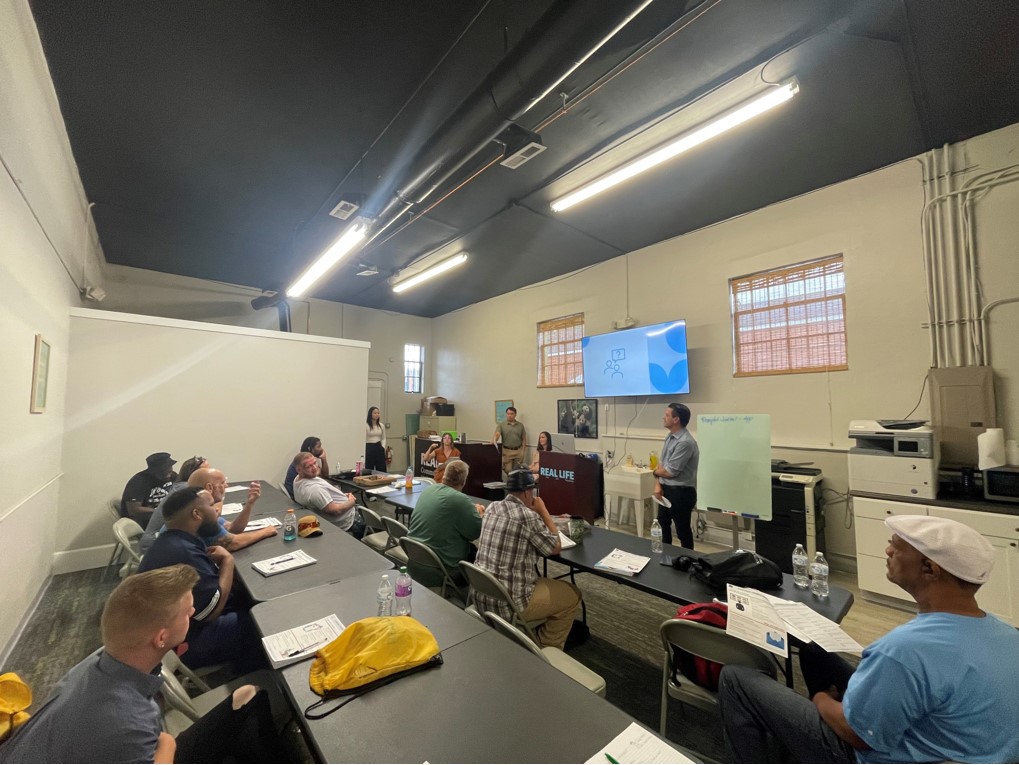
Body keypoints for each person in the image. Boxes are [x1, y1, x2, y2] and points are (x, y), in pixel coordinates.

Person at [718, 515, 1019, 764]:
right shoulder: (1008, 637)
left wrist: (821, 699)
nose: (887, 551)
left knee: (736, 679)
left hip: (867, 752)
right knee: (814, 651)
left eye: (896, 547)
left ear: (930, 568)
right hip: (957, 747)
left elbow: (857, 735)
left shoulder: (903, 651)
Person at [0, 564, 287, 764]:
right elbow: (144, 737)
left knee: (248, 695)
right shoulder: (128, 723)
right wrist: (167, 744)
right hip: (148, 744)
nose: (192, 611)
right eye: (186, 612)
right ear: (161, 637)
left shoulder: (96, 661)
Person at [136, 487, 265, 673]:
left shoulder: (172, 540)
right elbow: (210, 612)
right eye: (212, 506)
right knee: (260, 621)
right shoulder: (184, 552)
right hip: (182, 642)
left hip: (171, 628)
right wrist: (227, 562)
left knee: (247, 598)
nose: (217, 510)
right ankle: (255, 676)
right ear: (197, 514)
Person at [474, 469, 582, 650]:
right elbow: (555, 547)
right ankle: (547, 649)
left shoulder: (492, 507)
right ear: (526, 492)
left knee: (541, 581)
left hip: (482, 592)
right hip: (509, 603)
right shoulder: (528, 517)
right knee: (573, 595)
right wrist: (543, 511)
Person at [141, 467, 276, 554]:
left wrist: (249, 504)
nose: (226, 486)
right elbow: (233, 543)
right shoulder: (199, 513)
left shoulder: (197, 505)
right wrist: (265, 531)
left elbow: (233, 528)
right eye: (222, 483)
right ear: (209, 487)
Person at [407, 459, 484, 588]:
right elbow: (475, 533)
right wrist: (479, 515)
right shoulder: (461, 500)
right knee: (476, 553)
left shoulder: (428, 490)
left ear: (444, 476)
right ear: (464, 481)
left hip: (414, 559)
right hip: (441, 569)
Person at [652, 403, 698, 548]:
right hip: (666, 489)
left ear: (676, 419)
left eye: (667, 415)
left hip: (681, 493)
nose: (663, 418)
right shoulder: (670, 437)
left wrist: (655, 472)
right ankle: (665, 555)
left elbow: (670, 472)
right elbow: (661, 464)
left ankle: (688, 558)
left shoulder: (685, 442)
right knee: (663, 525)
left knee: (682, 531)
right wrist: (658, 484)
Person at [292, 451, 365, 538]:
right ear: (299, 470)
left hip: (341, 512)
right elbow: (335, 511)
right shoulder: (314, 489)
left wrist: (341, 496)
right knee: (370, 518)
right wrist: (351, 502)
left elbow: (321, 498)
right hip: (349, 521)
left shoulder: (298, 479)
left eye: (315, 463)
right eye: (309, 466)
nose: (314, 467)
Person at [119, 452, 178, 527]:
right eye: (162, 474)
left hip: (166, 519)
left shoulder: (173, 476)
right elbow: (134, 510)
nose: (167, 476)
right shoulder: (138, 482)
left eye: (169, 471)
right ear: (152, 471)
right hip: (146, 523)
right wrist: (160, 511)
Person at [491, 406, 526, 476]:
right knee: (508, 470)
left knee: (517, 471)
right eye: (508, 414)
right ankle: (510, 481)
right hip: (507, 452)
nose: (509, 415)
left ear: (515, 414)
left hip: (518, 451)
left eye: (511, 414)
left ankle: (515, 483)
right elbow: (497, 434)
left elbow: (524, 439)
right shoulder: (502, 425)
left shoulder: (520, 425)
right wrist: (494, 439)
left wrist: (522, 451)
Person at [365, 406, 387, 472]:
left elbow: (383, 438)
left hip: (378, 446)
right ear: (370, 414)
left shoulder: (381, 425)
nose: (377, 414)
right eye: (375, 413)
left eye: (378, 413)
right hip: (369, 447)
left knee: (381, 468)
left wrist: (383, 447)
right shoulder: (366, 425)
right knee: (369, 468)